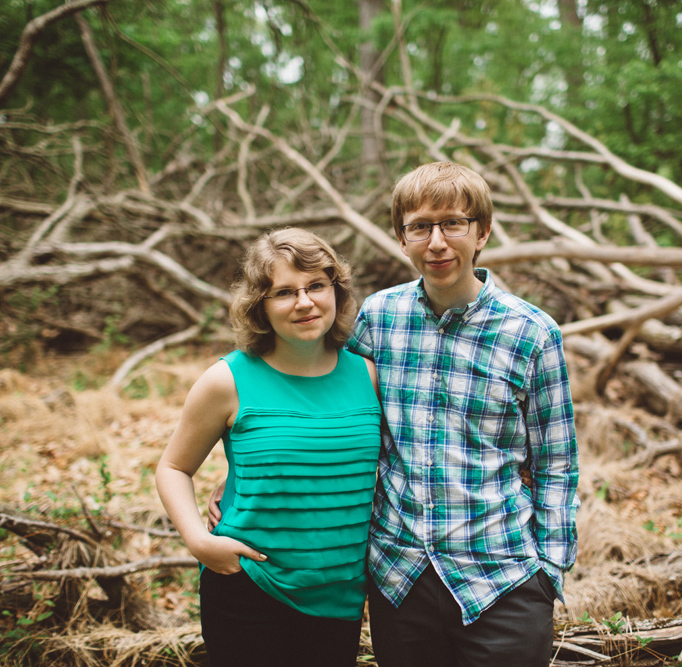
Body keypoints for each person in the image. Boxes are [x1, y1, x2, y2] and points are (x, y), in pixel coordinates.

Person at [348, 161, 580, 667]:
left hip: (502, 578)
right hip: (400, 575)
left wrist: (549, 571)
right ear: (401, 237)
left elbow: (557, 463)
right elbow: (335, 414)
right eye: (420, 227)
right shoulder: (377, 318)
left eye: (454, 223)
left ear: (482, 232)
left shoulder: (532, 333)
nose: (437, 242)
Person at [156, 228, 382, 667]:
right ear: (260, 305)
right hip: (248, 585)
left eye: (317, 285)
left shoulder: (369, 376)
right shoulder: (227, 381)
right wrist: (199, 542)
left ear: (336, 291)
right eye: (283, 292)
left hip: (340, 593)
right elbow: (173, 467)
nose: (304, 302)